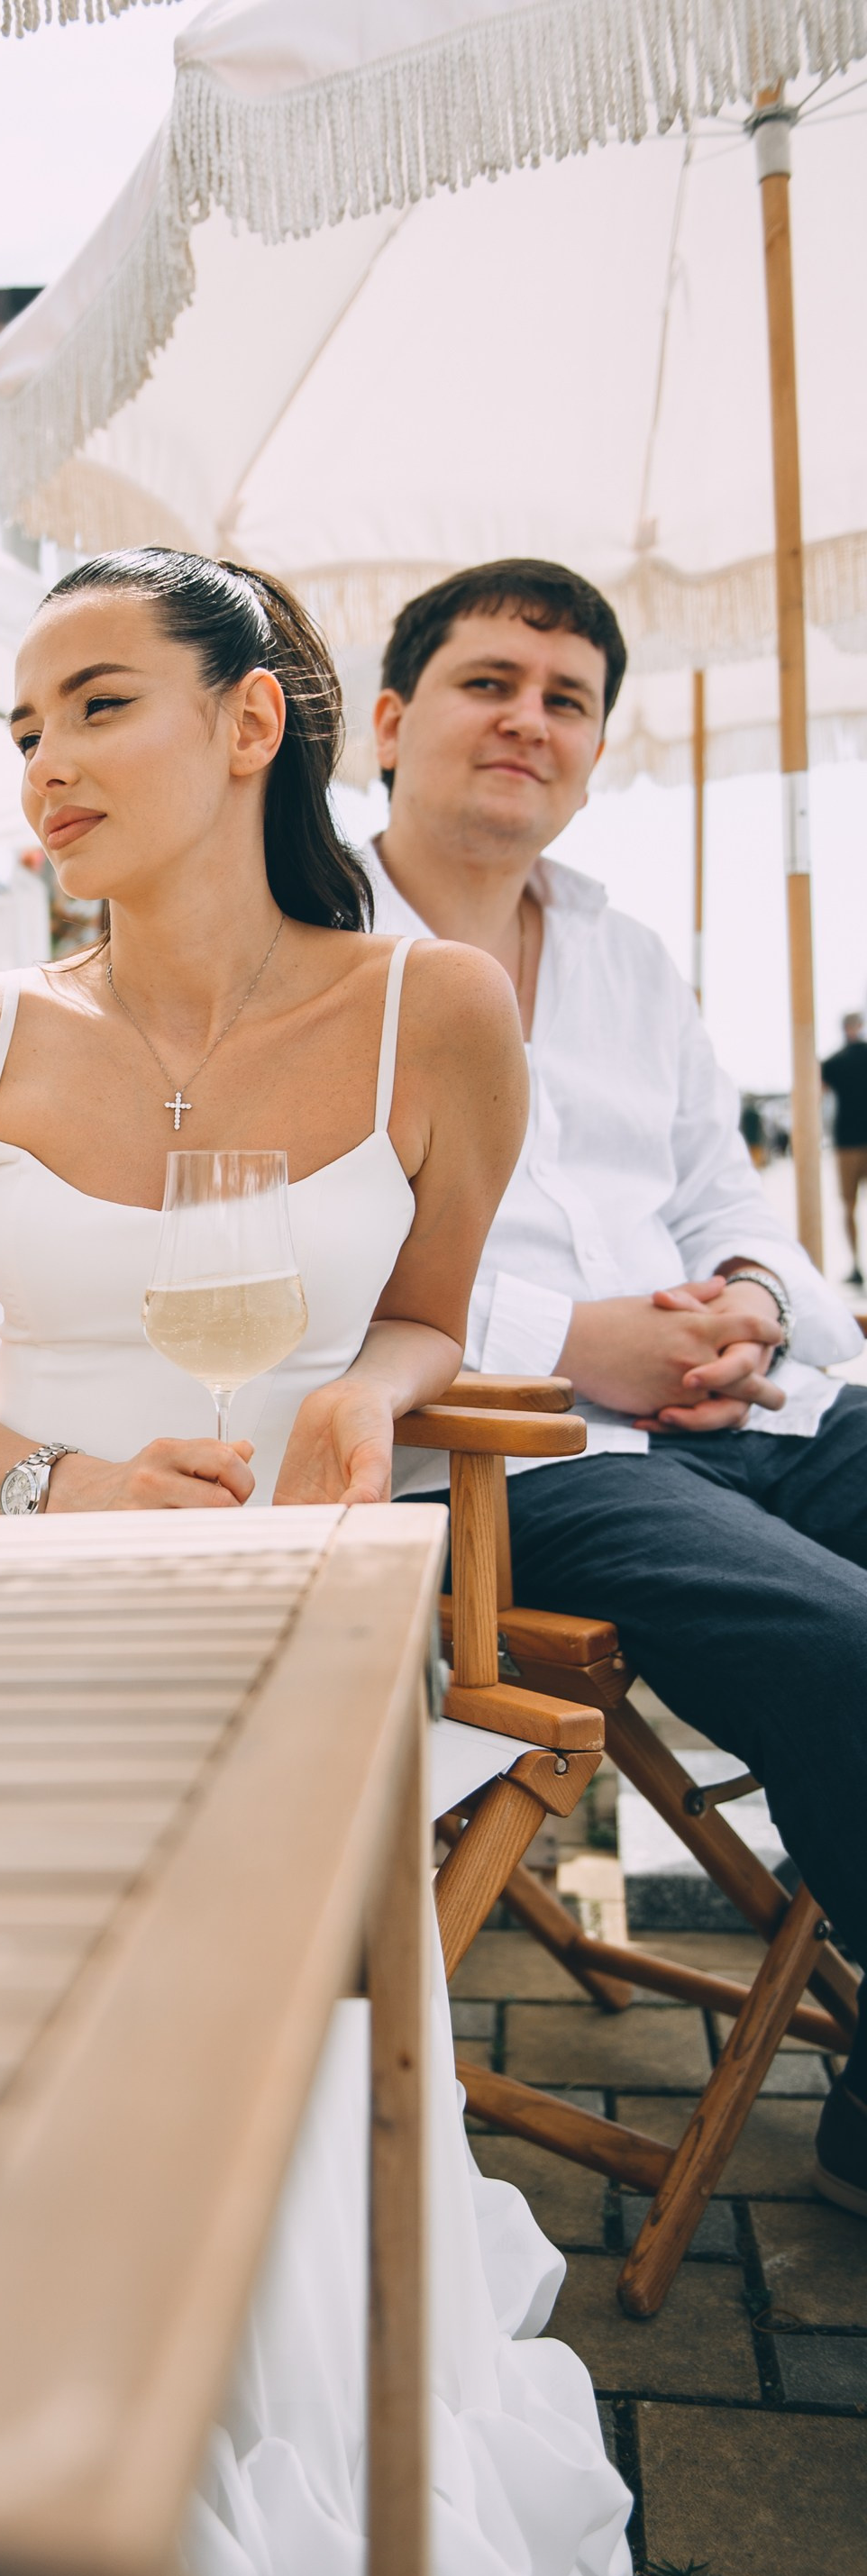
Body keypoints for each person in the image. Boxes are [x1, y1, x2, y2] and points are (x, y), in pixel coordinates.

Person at [0, 548, 630, 2576]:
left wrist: (370, 1397)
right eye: (22, 729)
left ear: (253, 722)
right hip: (9, 1598)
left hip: (292, 1600)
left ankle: (245, 2492)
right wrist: (60, 1484)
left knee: (231, 1980)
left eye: (97, 705)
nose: (46, 767)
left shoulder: (433, 1011)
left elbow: (435, 1314)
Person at [365, 557, 867, 2217]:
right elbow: (295, 1265)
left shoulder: (627, 954)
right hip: (520, 1463)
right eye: (488, 680)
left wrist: (746, 1302)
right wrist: (580, 1340)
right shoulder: (305, 958)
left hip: (739, 1407)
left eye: (565, 698)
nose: (529, 718)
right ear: (387, 717)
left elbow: (731, 1198)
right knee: (847, 1646)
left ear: (592, 751)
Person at [822, 1013, 867, 1286]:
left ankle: (856, 1265)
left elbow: (820, 1095)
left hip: (847, 1140)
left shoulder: (833, 1062)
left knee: (848, 1206)